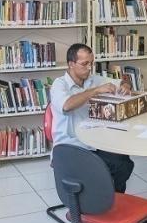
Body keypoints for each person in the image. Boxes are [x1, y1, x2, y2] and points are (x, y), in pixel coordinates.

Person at [50, 43, 134, 193]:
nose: (89, 68)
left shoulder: (92, 79)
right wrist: (95, 91)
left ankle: (113, 200)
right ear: (71, 64)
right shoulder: (59, 85)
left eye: (91, 63)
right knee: (116, 165)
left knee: (124, 161)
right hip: (71, 145)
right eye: (84, 64)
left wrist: (126, 85)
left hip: (93, 142)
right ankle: (104, 200)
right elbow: (67, 105)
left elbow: (123, 81)